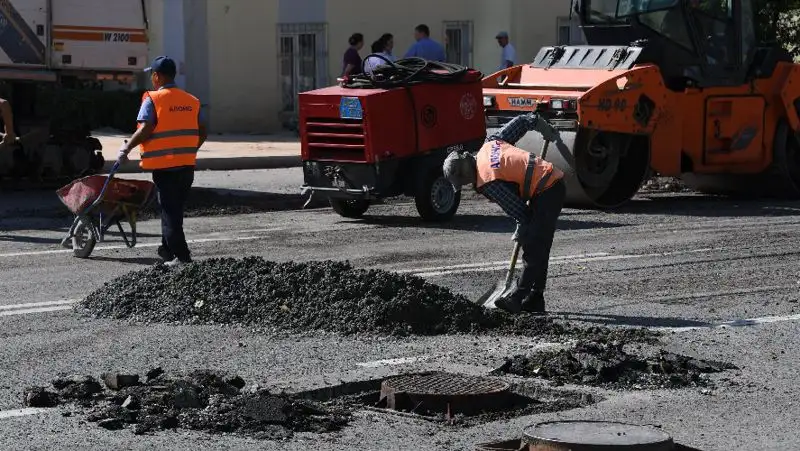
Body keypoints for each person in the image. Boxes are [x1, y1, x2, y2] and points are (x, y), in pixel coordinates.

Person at [442, 113, 565, 314]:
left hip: (547, 189)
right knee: (539, 242)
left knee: (534, 244)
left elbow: (521, 212)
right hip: (548, 184)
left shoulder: (487, 180)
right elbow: (525, 120)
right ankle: (535, 298)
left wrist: (522, 227)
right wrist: (543, 126)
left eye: (463, 181)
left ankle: (518, 296)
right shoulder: (490, 144)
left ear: (466, 173)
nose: (465, 185)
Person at [117, 56, 207, 268]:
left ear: (157, 76)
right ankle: (167, 249)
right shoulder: (191, 100)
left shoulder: (153, 99)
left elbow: (145, 129)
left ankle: (181, 257)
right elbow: (202, 132)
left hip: (165, 167)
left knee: (169, 212)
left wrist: (126, 148)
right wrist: (189, 149)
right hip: (186, 166)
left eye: (152, 75)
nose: (151, 79)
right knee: (175, 209)